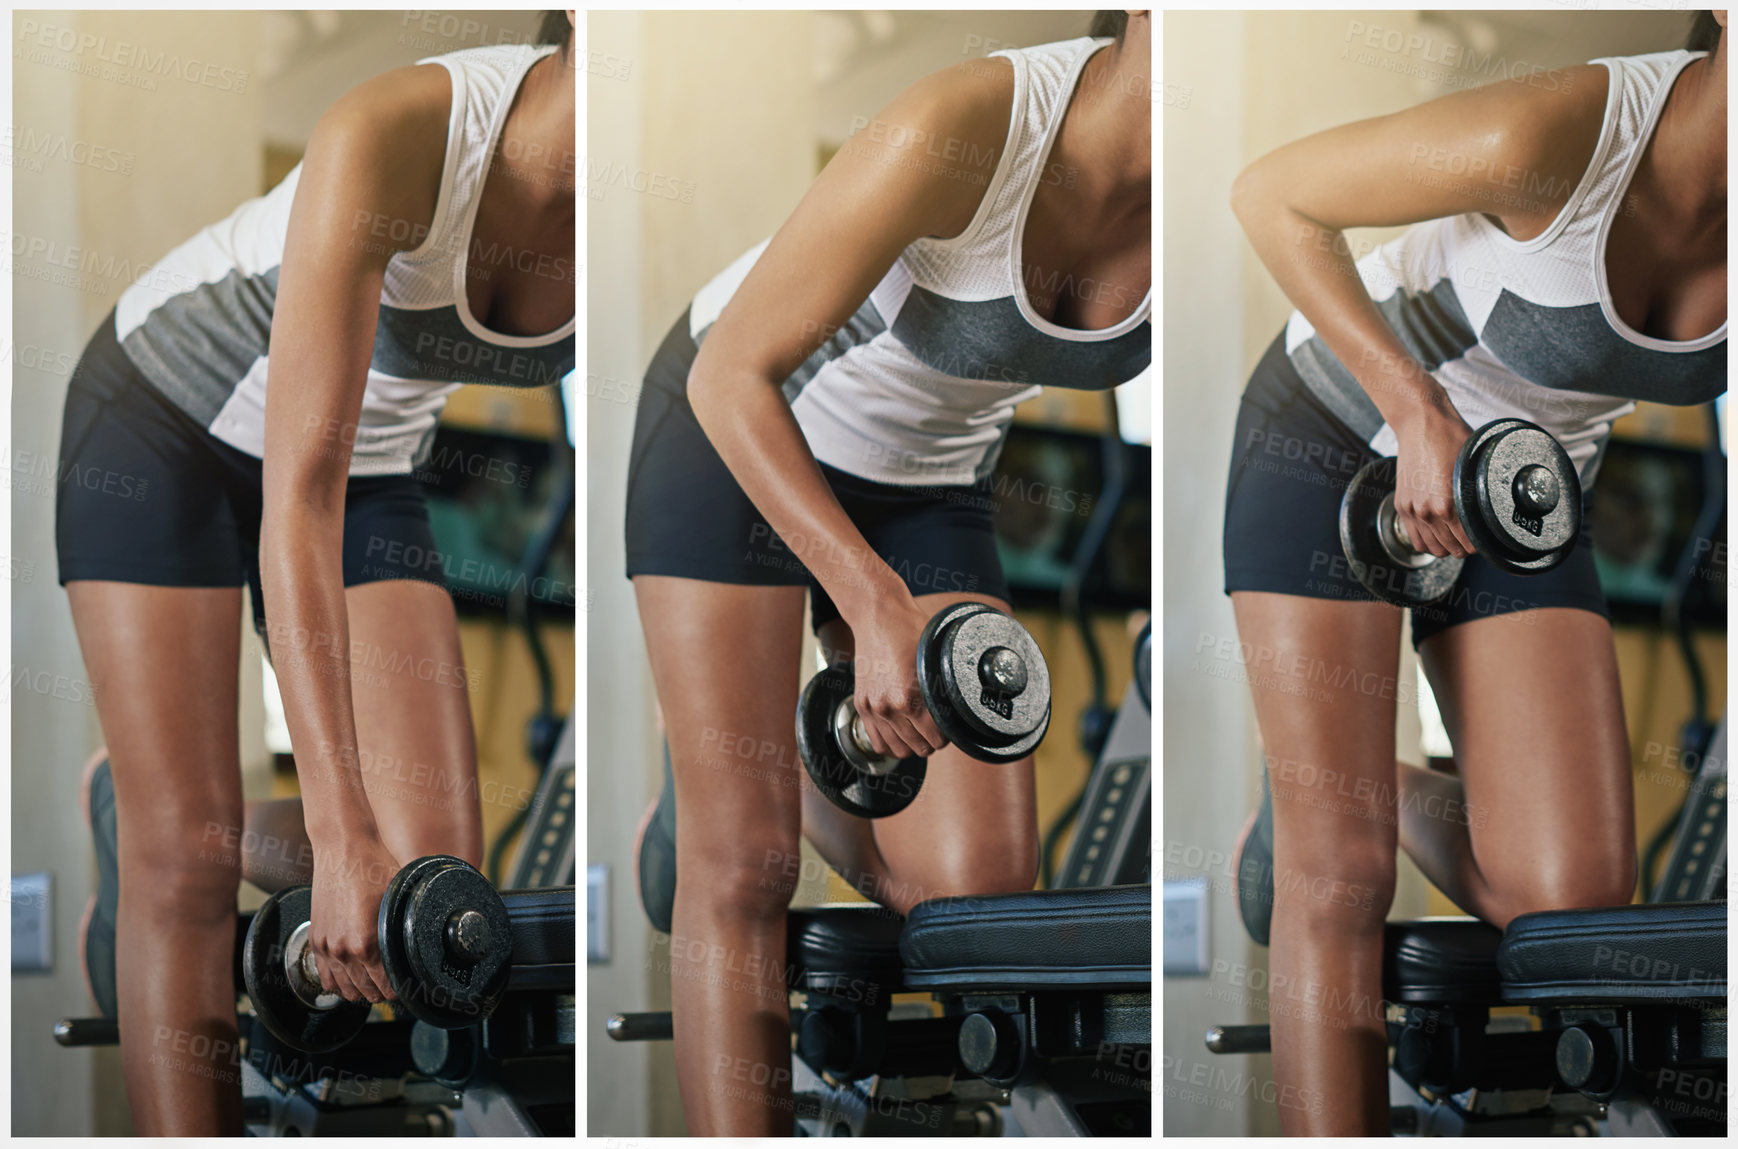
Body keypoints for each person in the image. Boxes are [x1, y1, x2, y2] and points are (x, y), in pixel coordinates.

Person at [624, 11, 1151, 1135]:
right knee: (745, 867)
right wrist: (867, 600)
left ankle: (768, 761)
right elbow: (732, 378)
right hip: (735, 434)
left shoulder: (1207, 193)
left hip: (928, 482)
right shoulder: (968, 124)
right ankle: (730, 799)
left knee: (974, 905)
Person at [55, 12, 575, 1134]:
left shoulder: (642, 210)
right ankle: (160, 829)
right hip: (161, 424)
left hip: (366, 461)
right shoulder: (400, 130)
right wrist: (335, 840)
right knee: (182, 877)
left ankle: (158, 813)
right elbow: (296, 502)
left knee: (434, 877)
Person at [1224, 10, 1725, 1134]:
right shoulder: (1548, 137)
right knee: (1341, 876)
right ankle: (1327, 798)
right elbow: (1273, 194)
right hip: (1336, 434)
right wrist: (1416, 408)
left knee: (1574, 906)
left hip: (1530, 488)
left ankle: (1334, 775)